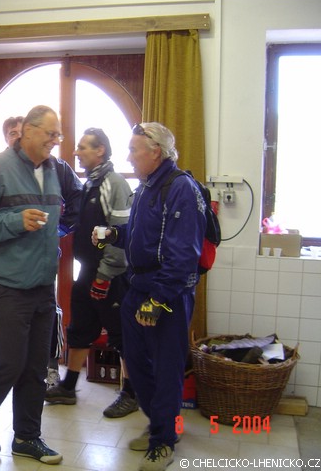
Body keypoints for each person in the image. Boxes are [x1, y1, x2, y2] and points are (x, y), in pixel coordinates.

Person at [95, 122, 206, 471]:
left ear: (155, 151)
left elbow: (183, 252)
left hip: (166, 294)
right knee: (136, 364)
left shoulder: (181, 188)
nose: (129, 156)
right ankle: (160, 424)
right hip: (137, 288)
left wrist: (158, 300)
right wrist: (114, 234)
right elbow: (141, 234)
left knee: (166, 368)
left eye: (134, 149)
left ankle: (163, 442)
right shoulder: (145, 187)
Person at [0, 105, 66, 465]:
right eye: (50, 133)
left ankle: (27, 438)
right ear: (28, 131)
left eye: (58, 134)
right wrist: (15, 221)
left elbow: (63, 214)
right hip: (4, 284)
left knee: (36, 367)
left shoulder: (53, 170)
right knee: (9, 363)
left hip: (42, 284)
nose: (55, 140)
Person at [45, 127, 138, 418]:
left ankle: (131, 394)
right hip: (88, 271)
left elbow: (122, 234)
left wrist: (104, 276)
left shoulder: (114, 183)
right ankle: (68, 387)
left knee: (121, 334)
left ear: (100, 150)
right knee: (80, 329)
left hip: (110, 275)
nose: (76, 152)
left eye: (83, 147)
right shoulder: (90, 184)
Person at [1, 115, 83, 387]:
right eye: (12, 133)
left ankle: (49, 367)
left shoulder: (56, 167)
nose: (17, 137)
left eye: (20, 131)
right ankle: (11, 369)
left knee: (45, 313)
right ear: (6, 139)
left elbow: (79, 197)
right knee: (11, 316)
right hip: (8, 261)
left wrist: (59, 229)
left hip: (43, 259)